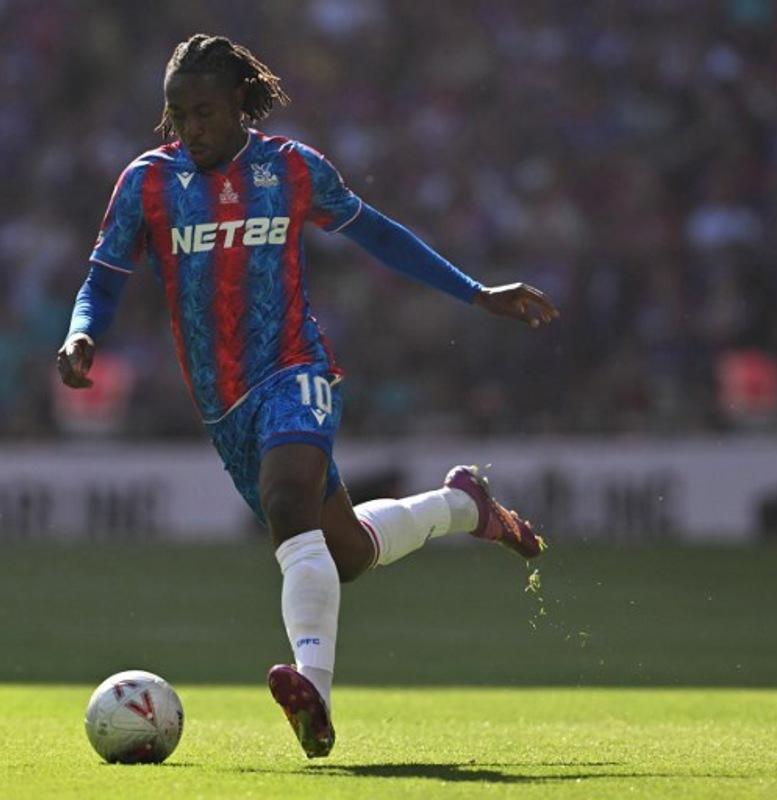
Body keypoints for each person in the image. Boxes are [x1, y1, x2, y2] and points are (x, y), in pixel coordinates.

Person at [57, 34, 559, 758]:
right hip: (222, 404)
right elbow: (103, 278)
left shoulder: (290, 168)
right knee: (343, 551)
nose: (190, 128)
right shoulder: (146, 182)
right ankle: (462, 506)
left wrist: (477, 293)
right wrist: (82, 336)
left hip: (296, 369)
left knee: (290, 508)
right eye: (177, 115)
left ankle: (313, 694)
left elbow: (379, 235)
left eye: (203, 112)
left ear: (239, 106)